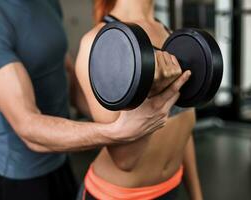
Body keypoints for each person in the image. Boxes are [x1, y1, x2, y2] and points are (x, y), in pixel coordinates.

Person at [0, 0, 190, 199]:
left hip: (60, 162)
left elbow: (69, 82)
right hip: (15, 175)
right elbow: (28, 128)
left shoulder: (45, 3)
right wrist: (119, 132)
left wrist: (120, 111)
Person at [76, 0, 203, 199]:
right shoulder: (100, 43)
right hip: (119, 195)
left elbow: (184, 127)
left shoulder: (168, 32)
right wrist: (156, 94)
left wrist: (197, 196)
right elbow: (124, 160)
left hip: (171, 187)